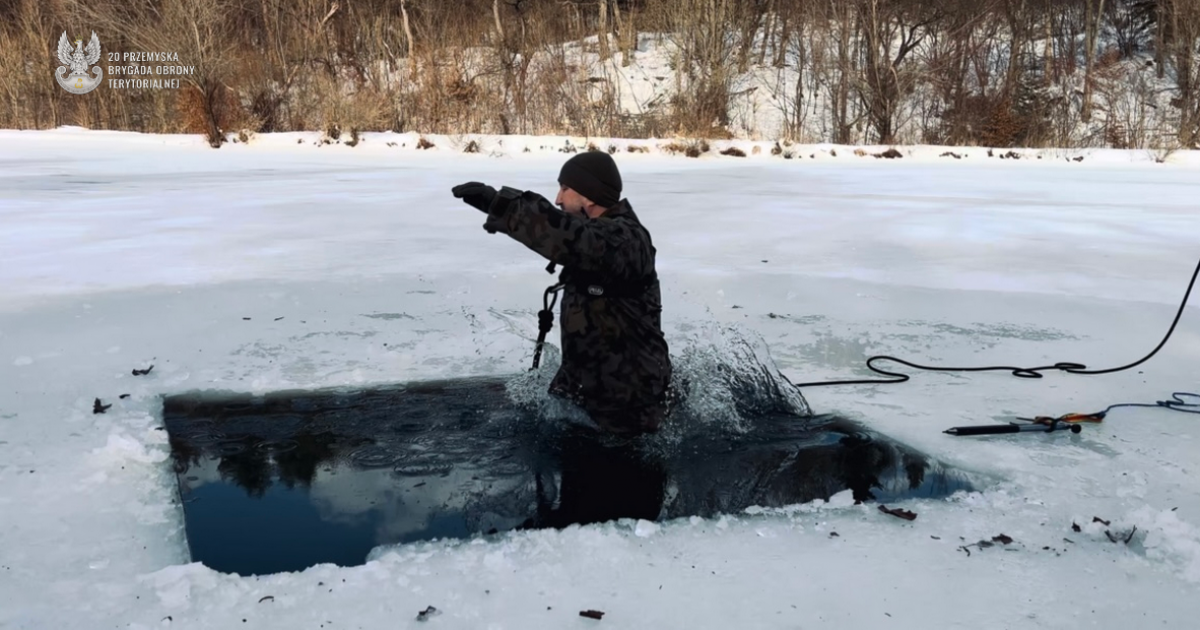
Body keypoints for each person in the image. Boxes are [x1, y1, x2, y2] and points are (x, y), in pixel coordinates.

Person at [451, 151, 672, 437]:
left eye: (565, 189)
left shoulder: (625, 239)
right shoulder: (598, 234)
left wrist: (501, 205)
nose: (558, 198)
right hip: (590, 396)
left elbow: (570, 237)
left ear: (590, 196)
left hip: (630, 412)